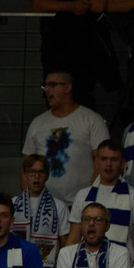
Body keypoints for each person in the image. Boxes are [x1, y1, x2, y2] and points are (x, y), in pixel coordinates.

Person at [22, 71, 109, 207]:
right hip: (43, 205)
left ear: (68, 87)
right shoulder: (37, 123)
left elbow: (101, 164)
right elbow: (26, 167)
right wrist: (28, 202)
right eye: (45, 86)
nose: (47, 90)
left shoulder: (91, 120)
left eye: (52, 85)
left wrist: (90, 200)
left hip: (79, 205)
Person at [29, 0, 108, 105]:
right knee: (54, 90)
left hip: (84, 42)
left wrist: (56, 5)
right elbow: (38, 5)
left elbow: (98, 4)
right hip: (53, 42)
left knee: (83, 91)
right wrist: (72, 6)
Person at [63, 140, 134, 252]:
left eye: (114, 159)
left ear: (122, 163)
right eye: (104, 159)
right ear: (96, 162)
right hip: (86, 261)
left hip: (122, 262)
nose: (108, 164)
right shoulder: (83, 195)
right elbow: (73, 239)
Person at [11, 153, 68, 268]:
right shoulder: (12, 204)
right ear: (25, 175)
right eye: (32, 172)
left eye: (41, 172)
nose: (36, 176)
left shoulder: (59, 206)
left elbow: (65, 246)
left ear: (47, 176)